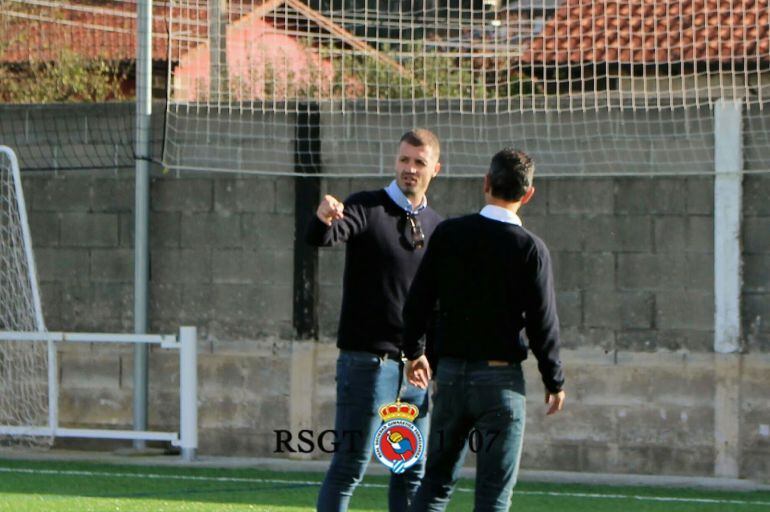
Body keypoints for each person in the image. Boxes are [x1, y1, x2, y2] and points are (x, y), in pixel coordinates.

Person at [402, 148, 566, 512]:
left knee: (435, 485)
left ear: (486, 183)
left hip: (452, 377)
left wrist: (414, 352)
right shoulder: (530, 249)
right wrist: (553, 380)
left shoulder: (448, 234)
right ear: (528, 194)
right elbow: (543, 322)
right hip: (500, 381)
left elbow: (419, 300)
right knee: (493, 496)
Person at [306, 129, 444, 512]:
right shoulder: (366, 207)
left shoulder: (437, 227)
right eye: (403, 160)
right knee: (351, 465)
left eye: (418, 162)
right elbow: (325, 237)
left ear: (435, 168)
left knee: (411, 470)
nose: (409, 169)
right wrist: (322, 219)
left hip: (416, 371)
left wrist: (434, 356)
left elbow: (436, 302)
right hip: (368, 365)